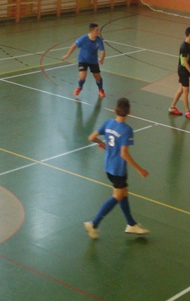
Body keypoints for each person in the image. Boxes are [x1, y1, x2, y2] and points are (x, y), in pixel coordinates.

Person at [83, 97, 149, 239]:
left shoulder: (108, 123)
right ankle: (94, 224)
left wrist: (100, 142)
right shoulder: (126, 130)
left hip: (108, 166)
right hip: (118, 169)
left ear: (115, 110)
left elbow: (91, 137)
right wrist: (140, 169)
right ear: (129, 111)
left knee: (123, 193)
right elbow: (124, 153)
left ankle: (131, 224)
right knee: (118, 196)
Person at [61, 23, 106, 98]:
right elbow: (74, 46)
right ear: (91, 31)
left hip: (93, 61)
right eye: (97, 30)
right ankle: (79, 87)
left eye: (98, 30)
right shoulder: (83, 39)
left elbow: (103, 52)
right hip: (83, 59)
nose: (98, 31)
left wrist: (101, 60)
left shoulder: (99, 40)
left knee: (97, 77)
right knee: (82, 76)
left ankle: (101, 89)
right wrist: (67, 55)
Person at [168, 27, 190, 120]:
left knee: (181, 90)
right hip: (183, 72)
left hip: (184, 71)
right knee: (186, 91)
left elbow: (185, 59)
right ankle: (187, 112)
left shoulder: (188, 44)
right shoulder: (184, 47)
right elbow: (184, 62)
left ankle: (172, 107)